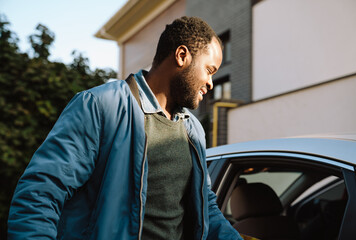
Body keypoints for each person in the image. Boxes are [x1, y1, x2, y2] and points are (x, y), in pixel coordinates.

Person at [8, 16, 242, 240]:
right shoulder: (100, 106)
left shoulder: (193, 130)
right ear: (182, 56)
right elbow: (40, 193)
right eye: (209, 70)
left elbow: (206, 207)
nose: (211, 83)